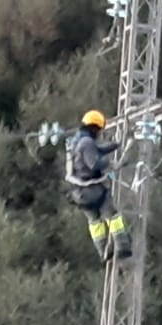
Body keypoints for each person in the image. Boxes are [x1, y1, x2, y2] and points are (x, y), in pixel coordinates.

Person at [65, 110, 131, 262]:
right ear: (95, 128)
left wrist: (115, 145)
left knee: (95, 222)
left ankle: (103, 251)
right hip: (93, 189)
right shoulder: (87, 143)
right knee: (113, 215)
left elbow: (98, 149)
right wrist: (112, 163)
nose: (100, 133)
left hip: (79, 193)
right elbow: (94, 163)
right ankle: (122, 246)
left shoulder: (77, 142)